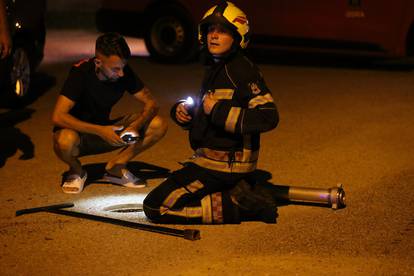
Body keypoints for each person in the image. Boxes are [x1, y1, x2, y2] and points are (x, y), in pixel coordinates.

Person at [143, 1, 280, 224]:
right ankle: (239, 192)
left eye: (222, 30)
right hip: (210, 162)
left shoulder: (241, 70)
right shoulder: (217, 67)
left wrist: (216, 109)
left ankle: (244, 207)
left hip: (223, 166)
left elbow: (268, 116)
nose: (213, 36)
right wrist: (185, 113)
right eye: (210, 30)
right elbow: (212, 109)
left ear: (237, 36)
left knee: (155, 206)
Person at [52, 32, 168, 194]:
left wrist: (135, 125)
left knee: (158, 123)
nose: (121, 74)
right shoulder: (80, 74)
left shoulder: (123, 71)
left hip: (106, 131)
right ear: (98, 62)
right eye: (115, 69)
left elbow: (152, 103)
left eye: (122, 68)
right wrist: (100, 131)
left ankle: (116, 167)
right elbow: (58, 116)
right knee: (65, 140)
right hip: (78, 137)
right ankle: (76, 170)